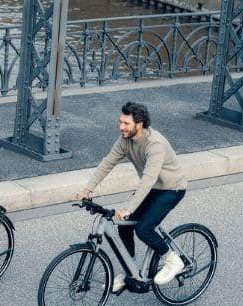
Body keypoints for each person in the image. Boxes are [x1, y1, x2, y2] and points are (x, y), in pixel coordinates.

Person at [75, 102, 188, 293]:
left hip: (171, 188)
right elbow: (107, 162)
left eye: (126, 123)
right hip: (151, 188)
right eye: (120, 122)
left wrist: (129, 207)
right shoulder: (125, 140)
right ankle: (130, 270)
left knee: (144, 229)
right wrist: (87, 189)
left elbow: (148, 179)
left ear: (140, 124)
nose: (121, 127)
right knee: (124, 225)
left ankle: (172, 260)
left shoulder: (155, 144)